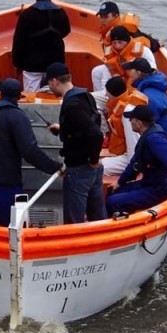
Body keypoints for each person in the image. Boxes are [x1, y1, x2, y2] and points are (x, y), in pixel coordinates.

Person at [0, 78, 63, 227]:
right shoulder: (18, 117)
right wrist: (55, 167)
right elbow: (29, 151)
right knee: (11, 228)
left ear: (0, 94)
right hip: (5, 184)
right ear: (19, 97)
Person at [45, 62, 107, 224]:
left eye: (49, 84)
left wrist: (93, 160)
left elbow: (95, 134)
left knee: (74, 220)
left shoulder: (71, 105)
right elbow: (88, 126)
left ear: (54, 81)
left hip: (80, 169)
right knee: (98, 218)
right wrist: (63, 129)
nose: (50, 89)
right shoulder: (85, 96)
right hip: (93, 171)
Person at [106, 105, 167, 216]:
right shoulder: (146, 137)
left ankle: (120, 226)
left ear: (138, 123)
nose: (129, 121)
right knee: (113, 191)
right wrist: (120, 182)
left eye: (131, 119)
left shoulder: (154, 140)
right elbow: (134, 164)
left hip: (157, 190)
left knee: (112, 202)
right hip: (147, 182)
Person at [11, 0, 71, 92]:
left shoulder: (27, 14)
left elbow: (19, 40)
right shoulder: (61, 12)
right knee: (55, 95)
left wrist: (17, 63)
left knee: (31, 97)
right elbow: (66, 31)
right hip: (55, 63)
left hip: (32, 65)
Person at [91, 1, 161, 91]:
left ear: (115, 16)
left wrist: (156, 44)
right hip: (116, 64)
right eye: (101, 16)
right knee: (97, 72)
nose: (103, 19)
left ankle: (106, 96)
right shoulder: (106, 31)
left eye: (106, 16)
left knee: (106, 73)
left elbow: (141, 38)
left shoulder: (125, 30)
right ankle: (103, 96)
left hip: (129, 66)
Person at [101, 76, 148, 176]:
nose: (105, 94)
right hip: (122, 152)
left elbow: (133, 152)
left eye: (107, 92)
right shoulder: (122, 105)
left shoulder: (127, 113)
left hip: (131, 158)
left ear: (114, 94)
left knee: (99, 167)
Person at [122, 57, 167, 141]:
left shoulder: (147, 96)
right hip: (165, 127)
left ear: (138, 73)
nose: (128, 73)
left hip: (163, 135)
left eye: (130, 70)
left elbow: (149, 121)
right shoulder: (152, 85)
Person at [98, 25, 157, 91]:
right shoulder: (110, 53)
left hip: (136, 86)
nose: (117, 46)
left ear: (127, 41)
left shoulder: (144, 51)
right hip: (118, 83)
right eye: (114, 43)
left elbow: (152, 72)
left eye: (120, 42)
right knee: (96, 71)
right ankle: (104, 95)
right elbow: (108, 71)